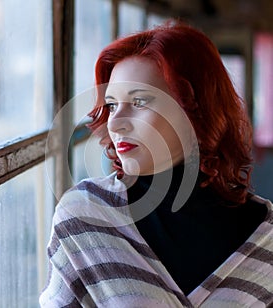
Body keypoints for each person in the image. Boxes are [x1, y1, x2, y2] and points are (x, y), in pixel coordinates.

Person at [40, 21, 273, 307]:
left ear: (195, 109)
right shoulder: (85, 217)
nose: (117, 122)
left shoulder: (266, 237)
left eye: (139, 102)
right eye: (112, 105)